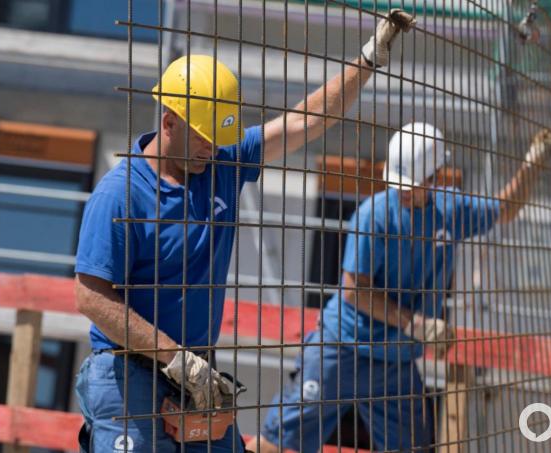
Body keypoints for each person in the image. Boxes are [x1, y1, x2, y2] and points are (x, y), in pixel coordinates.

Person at [71, 9, 417, 453]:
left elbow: (304, 120)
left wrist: (368, 58)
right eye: (202, 137)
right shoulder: (119, 194)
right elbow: (90, 296)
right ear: (169, 121)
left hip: (195, 371)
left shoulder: (221, 166)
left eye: (217, 137)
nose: (211, 147)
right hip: (126, 371)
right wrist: (173, 357)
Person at [248, 122, 551, 453]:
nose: (405, 191)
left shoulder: (451, 210)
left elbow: (506, 208)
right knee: (280, 441)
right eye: (400, 183)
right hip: (343, 348)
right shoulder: (374, 215)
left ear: (435, 176)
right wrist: (417, 323)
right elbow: (354, 290)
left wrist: (533, 161)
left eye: (414, 184)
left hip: (396, 361)